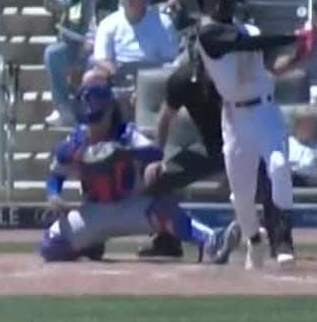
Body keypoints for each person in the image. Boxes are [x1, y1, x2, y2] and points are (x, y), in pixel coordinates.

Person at [189, 0, 317, 269]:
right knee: (242, 194)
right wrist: (294, 36)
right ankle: (254, 240)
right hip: (234, 119)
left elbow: (273, 67)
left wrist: (302, 50)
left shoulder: (252, 31)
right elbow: (244, 43)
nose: (214, 6)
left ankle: (283, 239)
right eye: (208, 0)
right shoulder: (208, 34)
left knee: (279, 166)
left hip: (264, 110)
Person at [40, 79, 227, 263]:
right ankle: (90, 245)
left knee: (166, 210)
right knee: (50, 246)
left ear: (110, 110)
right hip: (94, 211)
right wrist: (53, 195)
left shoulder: (126, 135)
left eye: (98, 118)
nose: (93, 126)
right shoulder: (76, 141)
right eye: (89, 120)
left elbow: (154, 151)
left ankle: (212, 241)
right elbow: (56, 173)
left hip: (131, 207)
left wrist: (123, 153)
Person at [44, 0, 117, 126]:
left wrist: (95, 44)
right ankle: (63, 108)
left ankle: (94, 111)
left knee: (94, 62)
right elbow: (69, 29)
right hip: (79, 46)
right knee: (52, 54)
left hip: (107, 51)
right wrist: (61, 20)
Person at [91, 0, 180, 88]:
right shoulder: (108, 23)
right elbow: (102, 59)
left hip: (154, 79)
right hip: (118, 76)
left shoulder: (163, 22)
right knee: (90, 78)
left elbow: (170, 60)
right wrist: (118, 75)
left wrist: (144, 80)